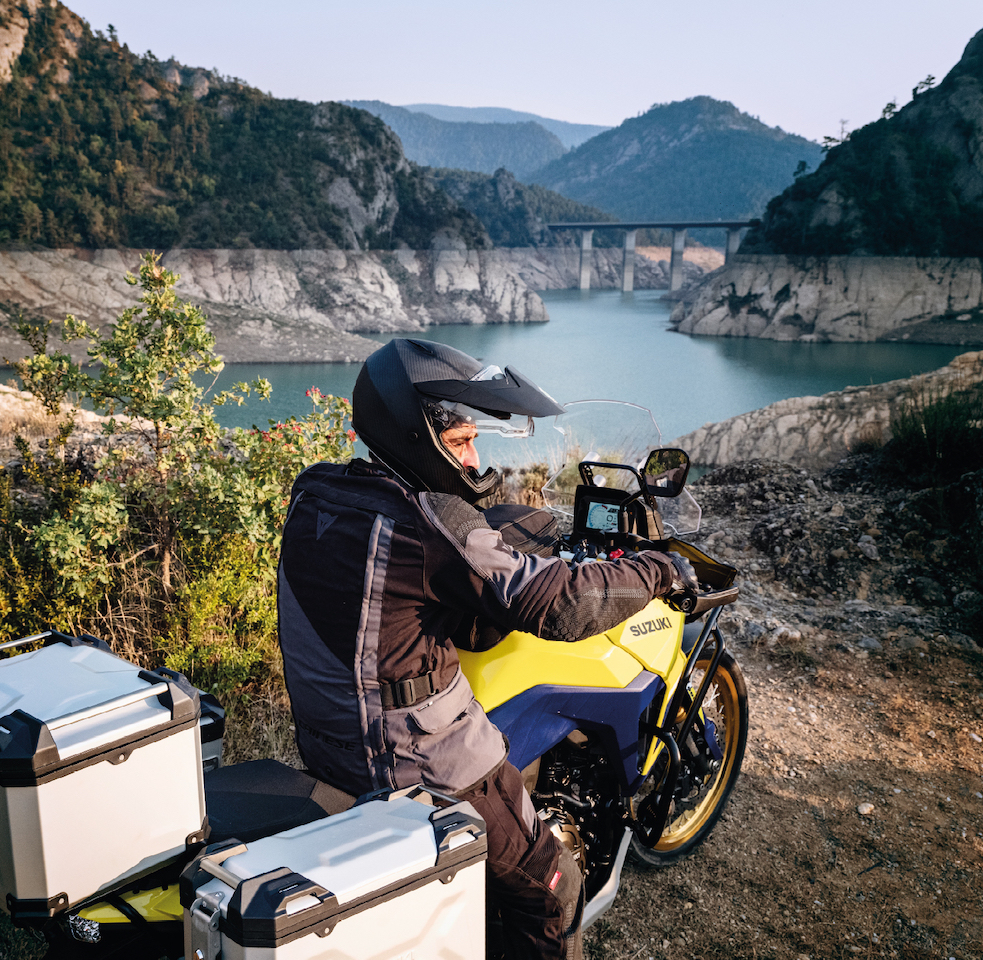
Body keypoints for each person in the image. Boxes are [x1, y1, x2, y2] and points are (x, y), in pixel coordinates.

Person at [276, 339, 698, 960]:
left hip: (324, 734)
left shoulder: (316, 491)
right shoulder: (431, 524)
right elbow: (558, 604)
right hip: (407, 756)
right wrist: (660, 570)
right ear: (417, 434)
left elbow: (391, 602)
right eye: (462, 442)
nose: (475, 459)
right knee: (551, 885)